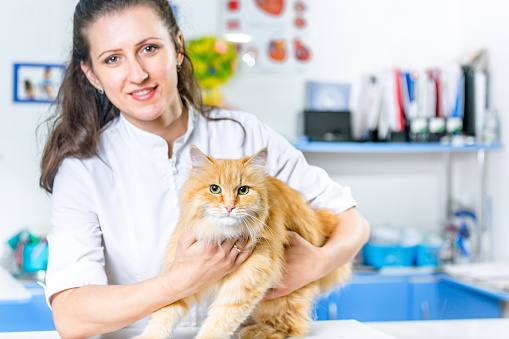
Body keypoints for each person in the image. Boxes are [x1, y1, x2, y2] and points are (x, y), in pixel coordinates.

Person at [39, 0, 370, 338]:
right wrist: (182, 280)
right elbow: (71, 317)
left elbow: (352, 222)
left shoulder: (244, 133)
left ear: (178, 48)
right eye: (113, 59)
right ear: (92, 74)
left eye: (149, 48)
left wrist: (320, 261)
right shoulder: (82, 169)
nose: (138, 74)